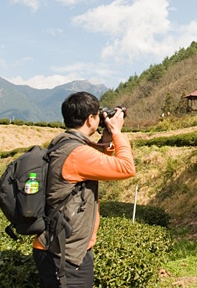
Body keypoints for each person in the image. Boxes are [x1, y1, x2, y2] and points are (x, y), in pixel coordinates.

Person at [32, 92, 136, 288]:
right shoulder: (77, 152)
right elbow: (126, 168)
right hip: (65, 253)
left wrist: (107, 138)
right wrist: (118, 133)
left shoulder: (64, 144)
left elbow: (89, 164)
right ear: (90, 119)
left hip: (53, 246)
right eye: (97, 115)